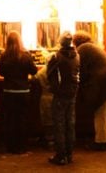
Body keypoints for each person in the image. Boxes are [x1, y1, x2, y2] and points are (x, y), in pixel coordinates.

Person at [72, 31, 106, 151]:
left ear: (76, 41)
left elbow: (80, 68)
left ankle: (100, 142)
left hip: (102, 84)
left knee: (100, 113)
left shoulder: (83, 48)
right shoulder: (94, 47)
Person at [0, 31, 38, 154]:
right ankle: (22, 147)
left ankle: (11, 146)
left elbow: (1, 72)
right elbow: (34, 71)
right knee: (22, 119)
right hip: (23, 91)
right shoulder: (25, 56)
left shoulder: (4, 56)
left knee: (10, 119)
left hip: (9, 91)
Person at [47, 32, 80, 166]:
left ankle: (60, 156)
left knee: (59, 124)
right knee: (70, 124)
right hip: (72, 93)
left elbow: (50, 74)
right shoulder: (77, 56)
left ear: (61, 42)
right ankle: (69, 154)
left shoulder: (56, 56)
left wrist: (54, 88)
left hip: (60, 94)